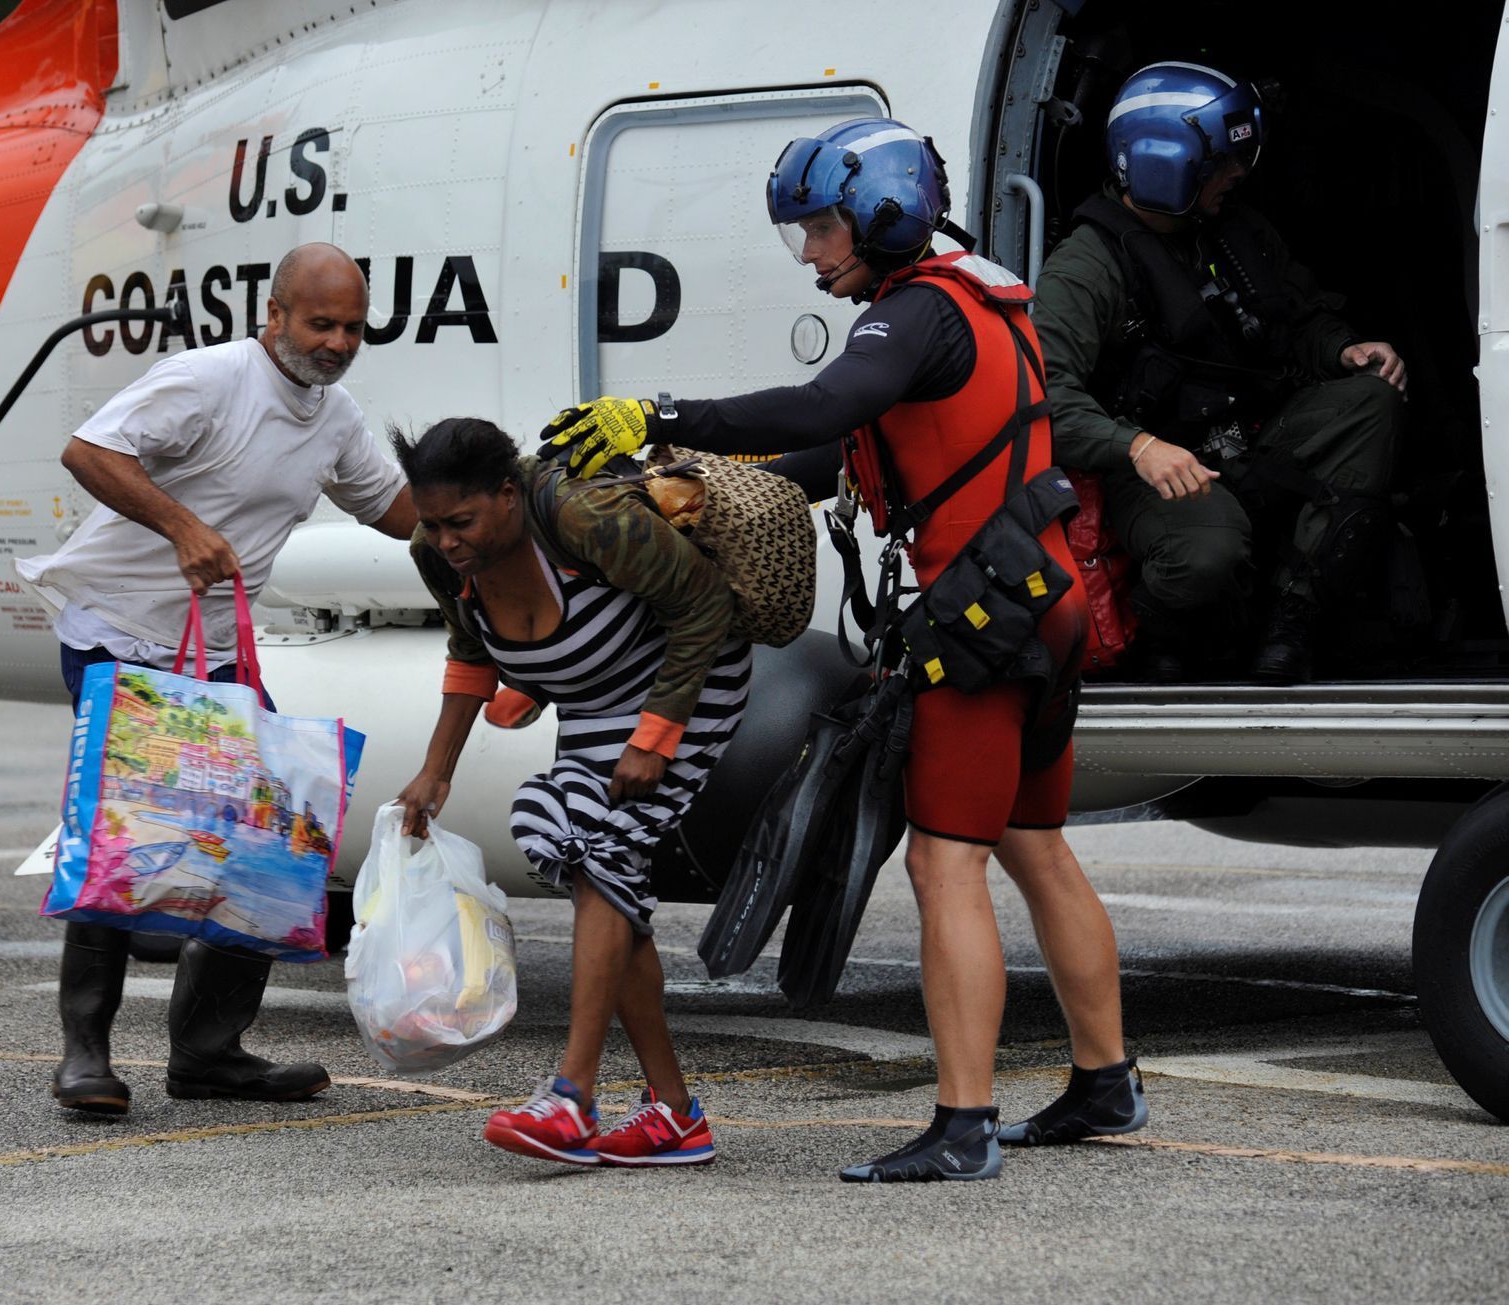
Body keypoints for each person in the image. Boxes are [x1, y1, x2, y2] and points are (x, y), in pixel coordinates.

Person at [538, 117, 1145, 1181]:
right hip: (1041, 605)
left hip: (978, 626)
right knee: (1033, 844)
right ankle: (1104, 1080)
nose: (811, 254)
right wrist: (697, 475)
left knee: (940, 859)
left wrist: (655, 413)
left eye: (819, 229)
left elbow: (827, 401)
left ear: (881, 213)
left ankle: (962, 1126)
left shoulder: (913, 313)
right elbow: (838, 446)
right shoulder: (982, 302)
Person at [16, 242, 417, 1114]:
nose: (337, 342)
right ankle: (84, 1053)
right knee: (130, 839)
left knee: (276, 841)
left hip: (220, 649)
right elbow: (89, 452)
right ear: (272, 317)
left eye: (352, 327)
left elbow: (399, 513)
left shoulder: (336, 416)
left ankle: (208, 1050)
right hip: (119, 632)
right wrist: (181, 527)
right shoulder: (209, 379)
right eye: (320, 323)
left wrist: (511, 500)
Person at [392, 416, 750, 1167]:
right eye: (432, 524)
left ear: (508, 493)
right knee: (598, 871)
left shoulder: (587, 520)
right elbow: (467, 651)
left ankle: (572, 1097)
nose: (446, 539)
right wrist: (436, 767)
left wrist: (656, 734)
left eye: (460, 521)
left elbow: (705, 606)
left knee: (595, 849)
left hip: (682, 682)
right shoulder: (439, 554)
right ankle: (672, 1113)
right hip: (593, 702)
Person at [1033, 62, 1405, 683]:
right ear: (1166, 165)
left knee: (1371, 399)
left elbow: (1295, 315)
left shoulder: (1231, 231)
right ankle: (1179, 639)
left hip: (1247, 430)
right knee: (1206, 554)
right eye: (1218, 165)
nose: (1236, 174)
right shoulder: (1086, 268)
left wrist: (1344, 350)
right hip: (1153, 463)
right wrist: (1139, 446)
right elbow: (1043, 395)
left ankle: (1292, 619)